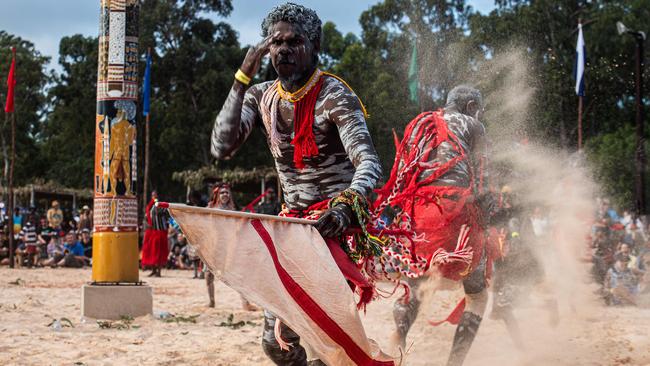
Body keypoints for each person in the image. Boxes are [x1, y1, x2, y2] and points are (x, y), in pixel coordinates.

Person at [210, 3, 382, 364]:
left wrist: (345, 206)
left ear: (314, 47)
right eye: (276, 42)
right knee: (276, 344)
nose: (284, 49)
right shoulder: (260, 96)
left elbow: (368, 162)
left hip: (334, 230)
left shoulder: (335, 95)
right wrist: (242, 78)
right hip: (292, 229)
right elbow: (221, 147)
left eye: (294, 41)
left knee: (322, 341)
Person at [375, 85, 493, 366]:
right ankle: (454, 363)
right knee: (477, 294)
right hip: (457, 214)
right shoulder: (474, 124)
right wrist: (488, 215)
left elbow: (401, 176)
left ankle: (396, 344)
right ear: (470, 107)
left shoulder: (419, 124)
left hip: (420, 217)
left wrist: (390, 218)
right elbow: (483, 176)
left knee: (415, 285)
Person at [205, 184, 258, 311]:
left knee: (239, 275)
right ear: (217, 195)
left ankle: (245, 303)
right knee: (208, 274)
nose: (225, 195)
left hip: (229, 245)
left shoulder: (234, 210)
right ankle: (211, 302)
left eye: (227, 193)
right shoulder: (210, 208)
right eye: (222, 192)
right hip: (213, 244)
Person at [141, 191, 170, 277]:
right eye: (152, 195)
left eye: (155, 195)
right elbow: (146, 218)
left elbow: (165, 214)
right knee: (151, 251)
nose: (154, 196)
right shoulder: (149, 206)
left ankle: (159, 272)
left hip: (160, 231)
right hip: (152, 232)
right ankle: (153, 270)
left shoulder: (161, 206)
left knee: (159, 252)